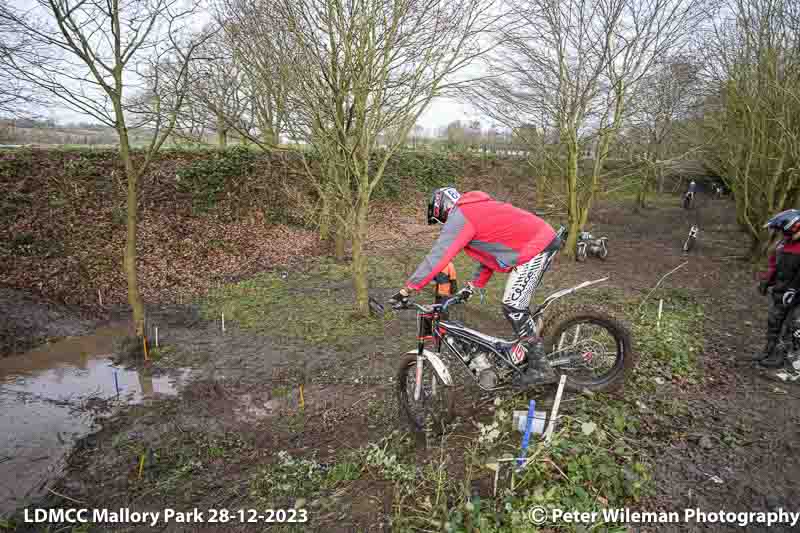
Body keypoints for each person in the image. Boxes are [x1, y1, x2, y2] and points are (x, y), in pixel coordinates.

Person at [389, 187, 560, 386]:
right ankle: (526, 354)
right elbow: (492, 251)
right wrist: (473, 285)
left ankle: (541, 368)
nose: (444, 225)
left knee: (513, 306)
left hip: (536, 247)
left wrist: (407, 289)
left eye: (441, 219)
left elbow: (439, 256)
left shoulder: (461, 215)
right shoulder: (476, 209)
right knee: (517, 304)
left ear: (441, 208)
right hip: (541, 240)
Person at [753, 209, 800, 379]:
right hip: (781, 291)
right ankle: (769, 351)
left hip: (797, 294)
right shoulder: (783, 245)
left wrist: (794, 290)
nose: (781, 234)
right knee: (774, 321)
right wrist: (766, 280)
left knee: (793, 327)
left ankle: (787, 360)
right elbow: (774, 265)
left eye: (783, 231)